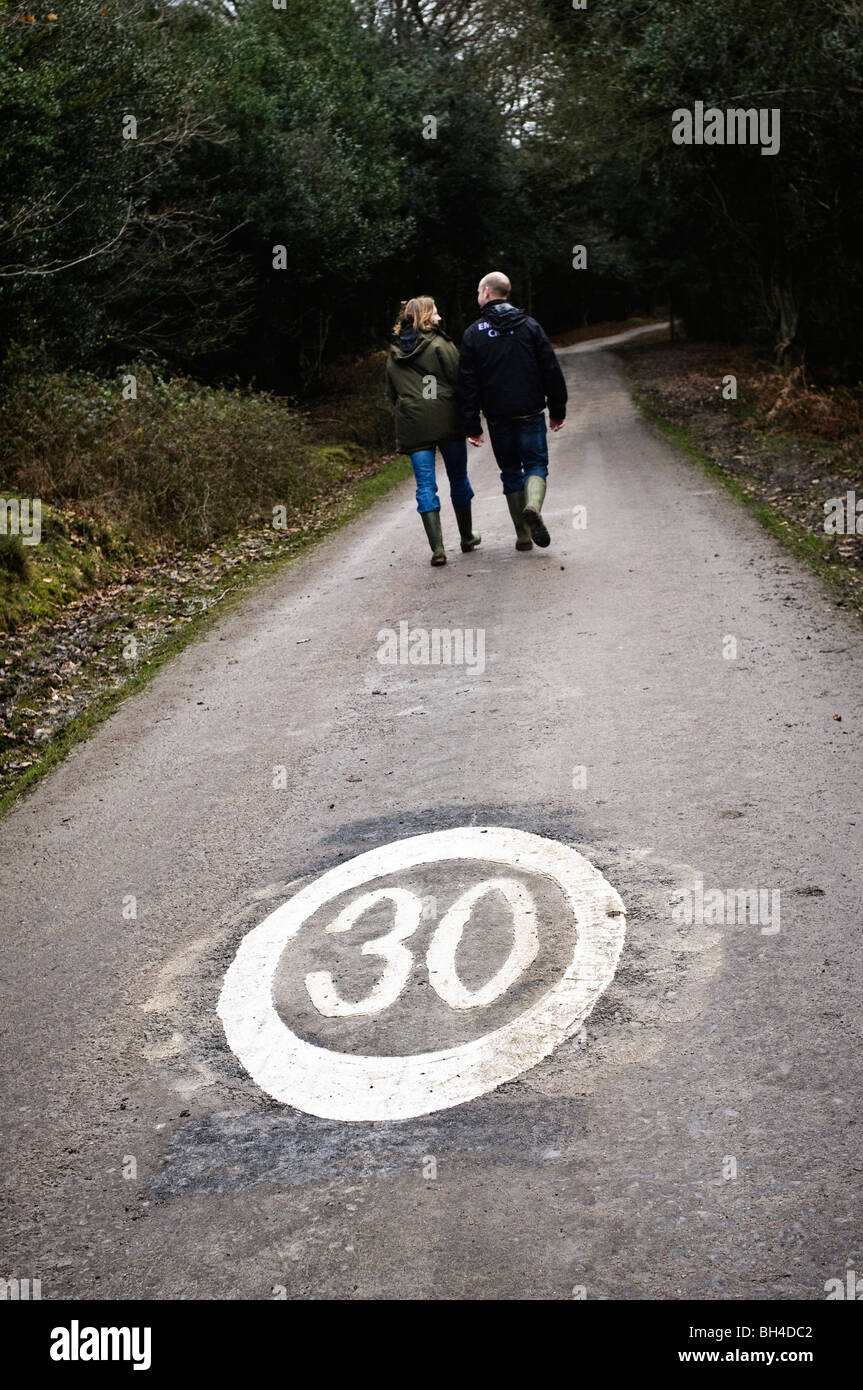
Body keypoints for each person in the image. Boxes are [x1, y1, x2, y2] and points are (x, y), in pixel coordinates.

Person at [458, 271, 567, 550]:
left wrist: (472, 425)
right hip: (530, 410)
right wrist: (557, 408)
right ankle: (533, 505)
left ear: (486, 293)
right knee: (535, 465)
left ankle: (522, 535)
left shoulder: (473, 334)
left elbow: (468, 383)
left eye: (478, 291)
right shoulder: (529, 326)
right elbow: (551, 369)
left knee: (510, 471)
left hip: (497, 415)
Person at [386, 296, 480, 566]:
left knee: (425, 485)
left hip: (413, 424)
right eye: (435, 313)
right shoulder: (441, 344)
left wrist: (411, 408)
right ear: (426, 317)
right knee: (458, 478)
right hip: (446, 420)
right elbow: (459, 378)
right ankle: (466, 537)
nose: (439, 317)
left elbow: (391, 392)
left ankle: (438, 549)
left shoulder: (393, 352)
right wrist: (468, 415)